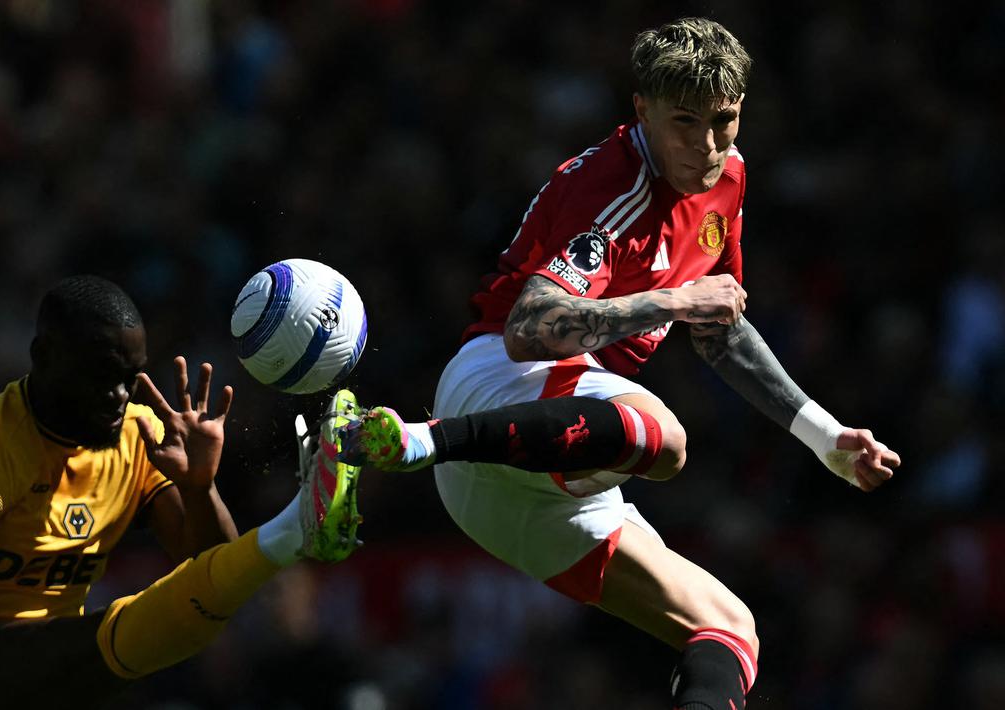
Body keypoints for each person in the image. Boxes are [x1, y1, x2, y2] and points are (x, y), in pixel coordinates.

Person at [322, 17, 900, 710]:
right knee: (666, 442)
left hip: (524, 492)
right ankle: (416, 441)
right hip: (497, 383)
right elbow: (528, 329)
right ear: (642, 110)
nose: (707, 145)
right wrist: (674, 299)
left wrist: (824, 436)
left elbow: (718, 331)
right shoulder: (610, 189)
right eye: (684, 122)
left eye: (723, 120)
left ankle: (414, 445)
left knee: (728, 628)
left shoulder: (728, 180)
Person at [0, 275, 364, 709]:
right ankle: (292, 527)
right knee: (107, 633)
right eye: (101, 377)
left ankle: (292, 528)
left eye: (131, 378)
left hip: (55, 686)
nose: (119, 397)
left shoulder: (138, 437)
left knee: (132, 637)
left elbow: (212, 575)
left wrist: (199, 487)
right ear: (42, 356)